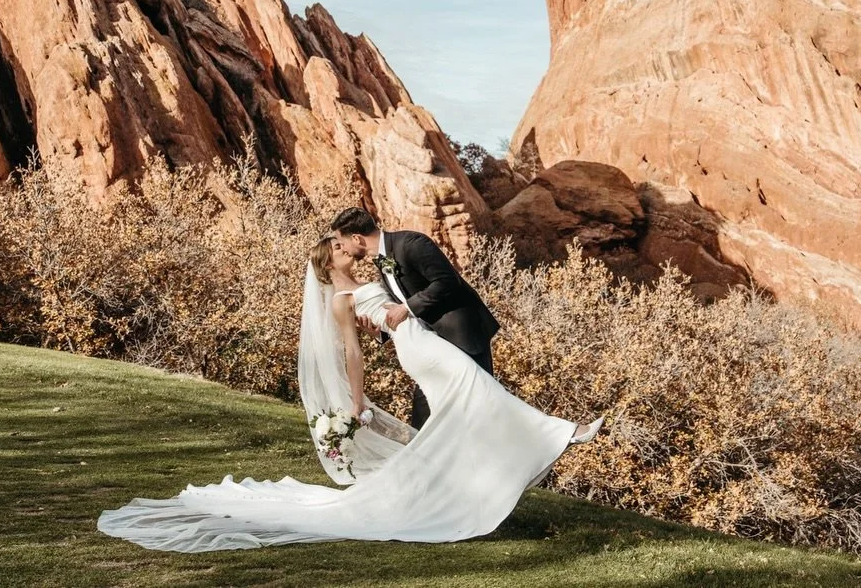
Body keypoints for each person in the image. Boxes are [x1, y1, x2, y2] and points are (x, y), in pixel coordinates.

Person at [95, 231, 603, 552]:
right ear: (328, 264)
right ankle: (562, 434)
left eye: (347, 243)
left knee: (468, 406)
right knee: (478, 389)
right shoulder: (341, 298)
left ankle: (483, 477)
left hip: (419, 341)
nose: (349, 247)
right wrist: (356, 403)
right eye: (339, 248)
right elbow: (351, 354)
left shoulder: (371, 277)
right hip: (419, 349)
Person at [331, 207, 498, 428]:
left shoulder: (411, 244)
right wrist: (380, 333)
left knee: (485, 407)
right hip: (429, 345)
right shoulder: (381, 261)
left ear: (357, 238)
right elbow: (400, 305)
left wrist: (406, 308)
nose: (344, 250)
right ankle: (430, 460)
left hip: (463, 334)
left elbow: (447, 282)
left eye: (342, 243)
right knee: (425, 416)